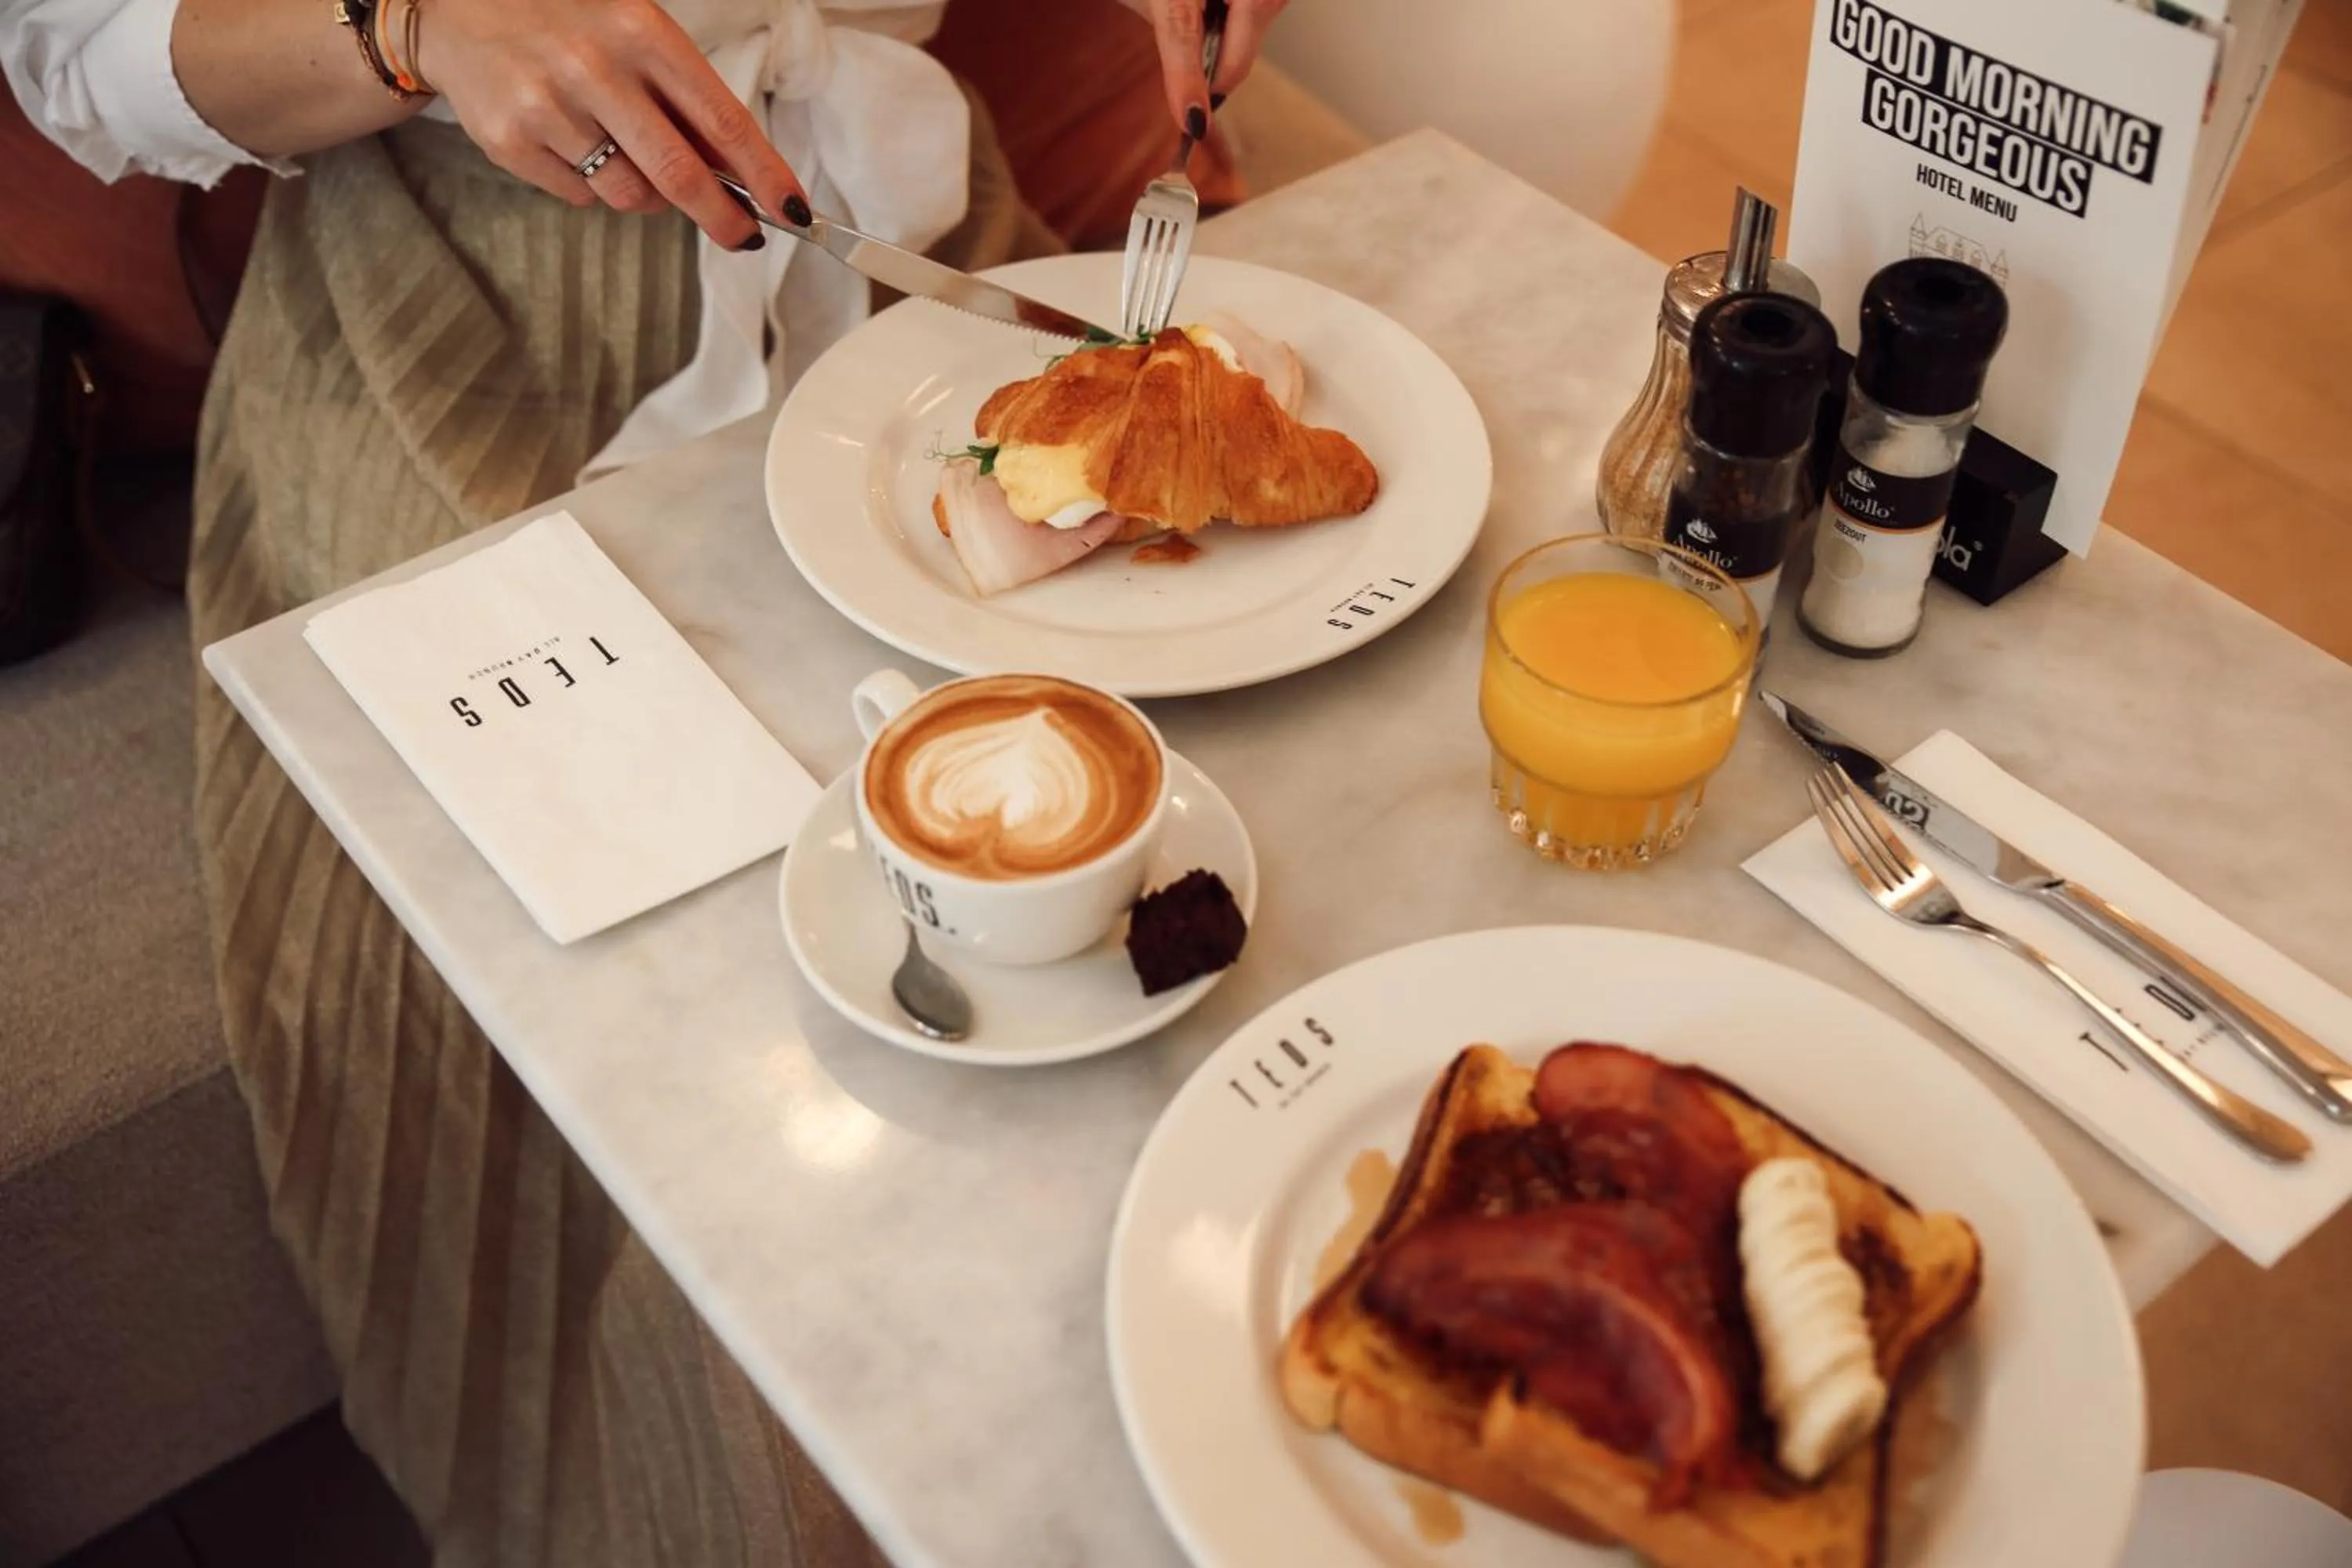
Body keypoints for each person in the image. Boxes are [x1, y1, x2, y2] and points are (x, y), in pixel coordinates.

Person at [0, 0, 1284, 1559]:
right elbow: (77, 54)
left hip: (912, 253)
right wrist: (415, 25)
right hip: (466, 322)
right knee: (651, 1004)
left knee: (1205, 812)